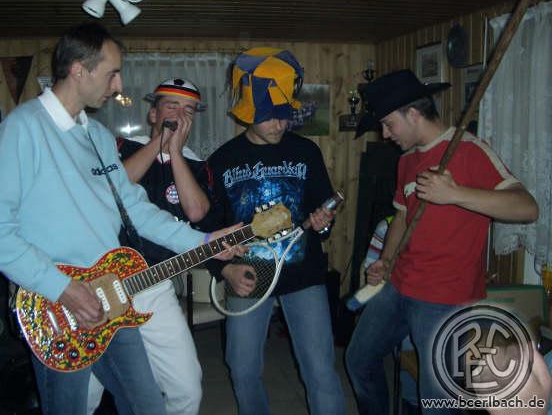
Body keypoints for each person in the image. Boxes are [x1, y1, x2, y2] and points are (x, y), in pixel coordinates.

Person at [0, 22, 241, 415]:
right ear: (79, 69)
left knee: (147, 406)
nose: (118, 85)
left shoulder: (96, 136)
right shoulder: (21, 129)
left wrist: (205, 242)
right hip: (58, 306)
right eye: (112, 73)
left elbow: (136, 210)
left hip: (113, 294)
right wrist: (62, 287)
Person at [345, 69, 539, 415]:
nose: (385, 134)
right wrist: (386, 260)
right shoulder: (407, 159)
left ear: (413, 114)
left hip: (446, 299)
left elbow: (527, 208)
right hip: (399, 285)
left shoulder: (469, 151)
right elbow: (402, 216)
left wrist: (455, 193)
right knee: (358, 360)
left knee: (437, 401)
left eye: (388, 124)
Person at [205, 47, 347, 415]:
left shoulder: (307, 152)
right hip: (248, 275)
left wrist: (324, 223)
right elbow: (207, 231)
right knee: (242, 369)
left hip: (304, 274)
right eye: (269, 117)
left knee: (320, 371)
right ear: (248, 113)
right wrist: (224, 269)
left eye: (284, 116)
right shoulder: (221, 160)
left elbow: (323, 210)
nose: (279, 125)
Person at [87, 78, 210, 415]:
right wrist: (158, 144)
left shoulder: (196, 164)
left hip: (154, 284)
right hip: (100, 283)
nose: (180, 116)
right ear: (153, 113)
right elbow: (115, 189)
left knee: (187, 388)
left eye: (189, 111)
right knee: (87, 394)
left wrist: (175, 154)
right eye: (172, 106)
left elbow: (196, 212)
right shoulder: (121, 146)